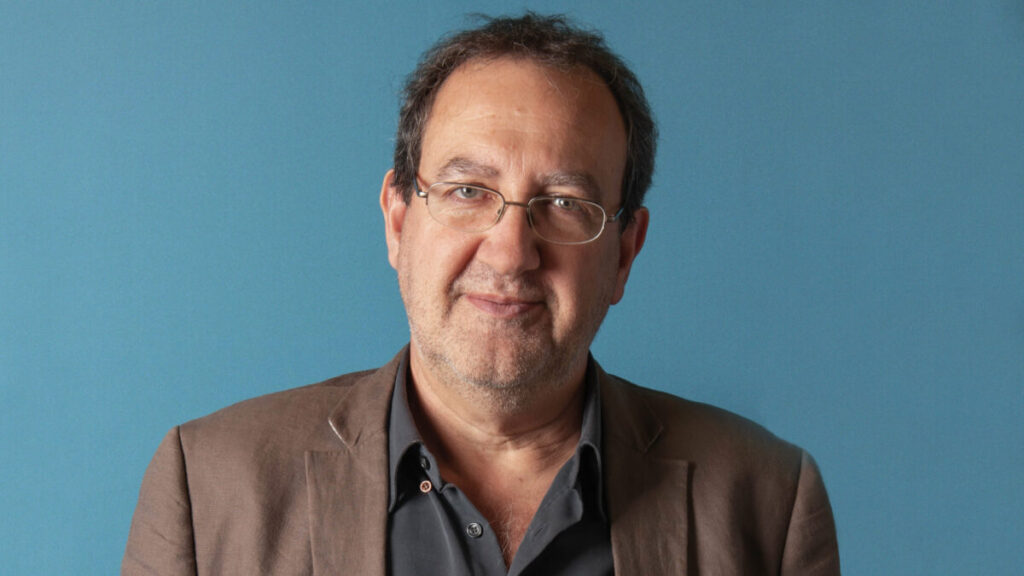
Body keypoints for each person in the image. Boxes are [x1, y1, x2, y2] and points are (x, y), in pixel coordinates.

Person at [123, 13, 840, 576]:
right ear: (399, 221)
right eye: (468, 192)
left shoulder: (767, 501)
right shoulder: (208, 488)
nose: (510, 251)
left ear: (624, 252)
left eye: (563, 204)